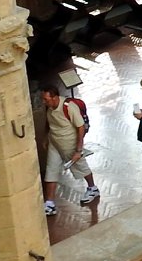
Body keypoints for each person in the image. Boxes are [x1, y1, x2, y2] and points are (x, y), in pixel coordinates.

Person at [41, 86, 99, 216]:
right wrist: (46, 137)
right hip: (54, 143)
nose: (44, 102)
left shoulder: (69, 107)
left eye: (46, 99)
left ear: (55, 97)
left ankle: (92, 188)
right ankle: (50, 203)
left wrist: (78, 150)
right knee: (51, 170)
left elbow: (80, 127)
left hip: (69, 143)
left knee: (81, 166)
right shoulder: (49, 107)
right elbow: (48, 122)